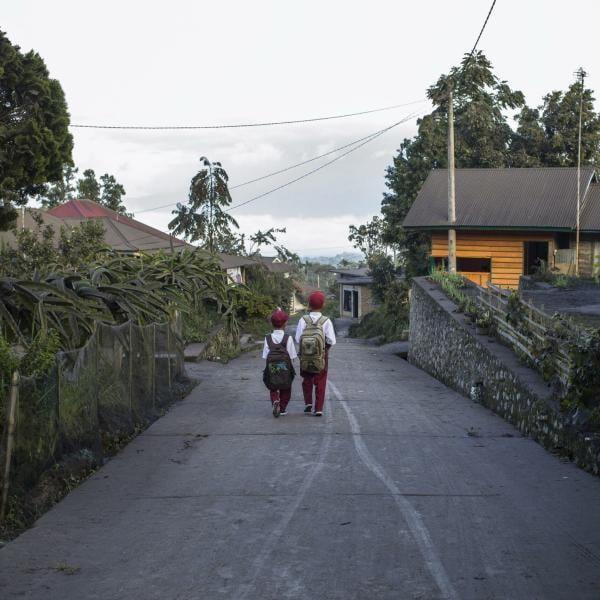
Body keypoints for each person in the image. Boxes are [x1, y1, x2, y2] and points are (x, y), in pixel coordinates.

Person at [295, 291, 336, 417]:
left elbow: (298, 338)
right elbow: (331, 340)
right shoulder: (326, 321)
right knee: (321, 381)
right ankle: (318, 408)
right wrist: (325, 350)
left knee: (307, 379)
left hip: (305, 356)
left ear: (309, 305)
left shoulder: (303, 319)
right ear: (323, 305)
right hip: (321, 356)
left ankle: (308, 403)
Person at [262, 309, 297, 417]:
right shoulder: (288, 338)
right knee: (286, 387)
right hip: (285, 368)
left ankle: (275, 401)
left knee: (272, 386)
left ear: (271, 323)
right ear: (285, 323)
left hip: (272, 367)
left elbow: (265, 356)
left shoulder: (267, 338)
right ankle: (282, 408)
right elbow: (292, 356)